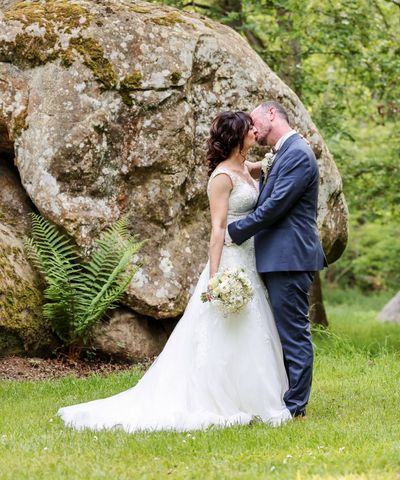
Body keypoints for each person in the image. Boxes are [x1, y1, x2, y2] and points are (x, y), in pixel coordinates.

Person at [57, 111, 291, 432]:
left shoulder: (243, 168)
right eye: (249, 129)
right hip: (231, 261)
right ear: (237, 136)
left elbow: (260, 168)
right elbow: (218, 229)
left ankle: (256, 395)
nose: (255, 130)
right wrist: (214, 277)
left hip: (250, 260)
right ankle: (219, 398)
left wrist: (285, 150)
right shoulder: (222, 177)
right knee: (226, 328)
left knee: (253, 327)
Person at [227, 101, 327, 418]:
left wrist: (234, 230)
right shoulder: (283, 153)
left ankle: (295, 406)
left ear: (272, 114)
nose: (253, 130)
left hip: (290, 258)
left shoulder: (297, 153)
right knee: (280, 332)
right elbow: (268, 185)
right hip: (277, 257)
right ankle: (284, 398)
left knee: (294, 333)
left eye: (255, 122)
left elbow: (274, 207)